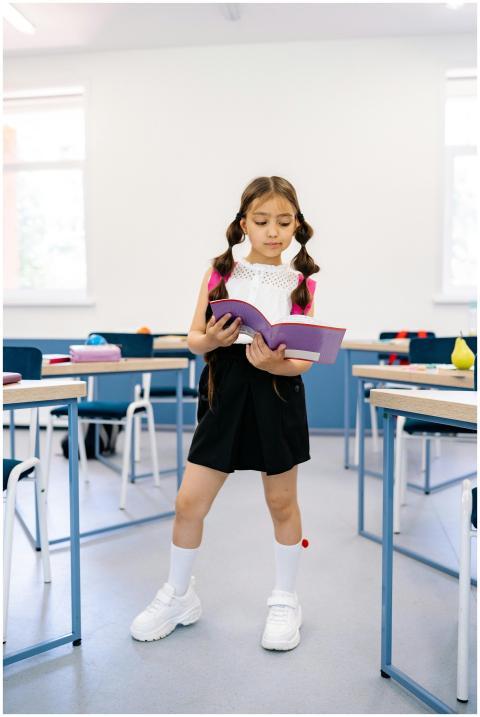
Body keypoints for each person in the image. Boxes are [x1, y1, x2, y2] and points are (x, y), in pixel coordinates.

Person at [130, 176, 319, 651]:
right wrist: (211, 340)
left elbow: (303, 359)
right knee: (189, 502)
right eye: (261, 221)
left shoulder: (302, 283)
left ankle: (285, 598)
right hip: (224, 388)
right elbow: (194, 339)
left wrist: (278, 362)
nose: (273, 231)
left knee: (281, 503)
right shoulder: (219, 272)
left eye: (283, 221)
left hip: (277, 390)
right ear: (243, 226)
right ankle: (178, 594)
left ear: (296, 225)